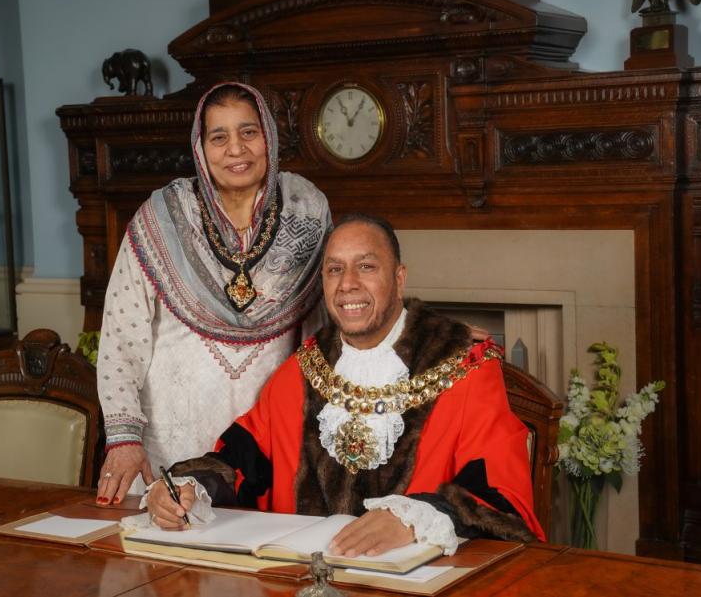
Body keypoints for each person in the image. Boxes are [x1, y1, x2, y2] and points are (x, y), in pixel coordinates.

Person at [146, 214, 545, 556]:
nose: (348, 283)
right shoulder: (300, 372)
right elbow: (242, 458)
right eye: (335, 269)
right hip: (305, 579)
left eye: (366, 267)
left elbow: (500, 497)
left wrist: (415, 519)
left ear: (399, 278)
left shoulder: (464, 366)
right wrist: (190, 487)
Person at [95, 82, 330, 505]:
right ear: (200, 148)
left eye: (248, 132)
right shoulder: (163, 214)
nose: (235, 149)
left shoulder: (306, 208)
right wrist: (123, 436)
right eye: (218, 137)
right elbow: (120, 336)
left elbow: (330, 326)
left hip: (261, 442)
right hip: (168, 438)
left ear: (269, 140)